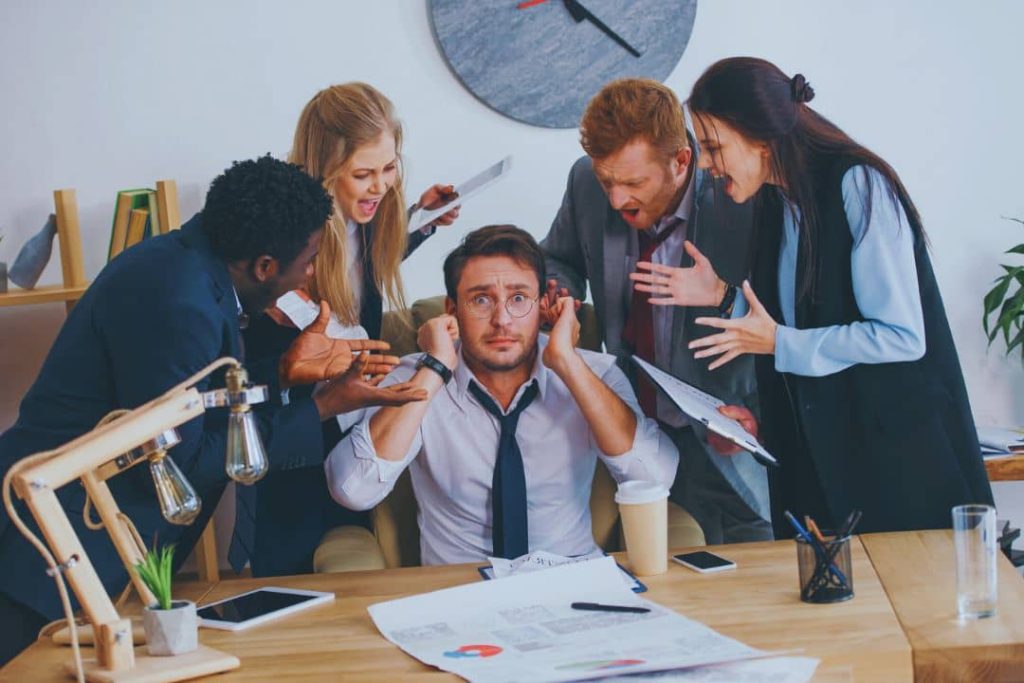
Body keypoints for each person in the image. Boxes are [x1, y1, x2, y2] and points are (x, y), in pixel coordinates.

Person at [0, 156, 425, 666]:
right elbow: (185, 457)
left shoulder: (186, 266)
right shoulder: (181, 301)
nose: (311, 272)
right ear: (265, 266)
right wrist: (325, 407)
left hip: (76, 532)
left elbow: (188, 399)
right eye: (308, 259)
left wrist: (282, 371)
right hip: (43, 546)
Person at [641, 57, 993, 534]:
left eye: (713, 146)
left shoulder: (860, 184)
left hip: (896, 474)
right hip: (822, 467)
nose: (706, 164)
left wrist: (779, 344)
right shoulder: (773, 201)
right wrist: (725, 297)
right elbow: (797, 325)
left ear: (761, 138)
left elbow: (900, 336)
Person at [326, 225, 679, 563]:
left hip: (573, 587)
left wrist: (568, 364)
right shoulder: (415, 376)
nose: (503, 320)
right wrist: (435, 369)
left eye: (519, 298)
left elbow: (654, 477)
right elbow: (353, 490)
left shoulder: (595, 374)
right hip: (456, 594)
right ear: (452, 310)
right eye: (481, 299)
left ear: (543, 305)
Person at [241, 82, 461, 577]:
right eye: (363, 174)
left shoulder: (365, 221)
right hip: (296, 429)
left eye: (389, 168)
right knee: (293, 564)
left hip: (351, 422)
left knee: (351, 542)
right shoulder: (287, 245)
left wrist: (419, 221)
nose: (380, 186)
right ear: (323, 172)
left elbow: (362, 269)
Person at [539, 78, 771, 544]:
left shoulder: (744, 198)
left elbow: (788, 319)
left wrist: (759, 417)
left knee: (758, 567)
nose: (616, 199)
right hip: (638, 427)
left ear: (682, 160)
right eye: (607, 180)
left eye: (633, 183)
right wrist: (560, 291)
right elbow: (556, 258)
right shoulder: (585, 182)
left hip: (732, 428)